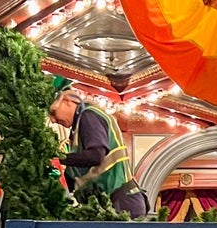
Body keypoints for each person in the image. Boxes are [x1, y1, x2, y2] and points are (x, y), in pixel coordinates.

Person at [47, 78, 149, 219]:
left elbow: (95, 156)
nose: (52, 120)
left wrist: (58, 157)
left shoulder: (89, 116)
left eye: (53, 112)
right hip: (110, 202)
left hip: (120, 203)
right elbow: (75, 176)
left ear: (68, 101)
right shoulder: (77, 130)